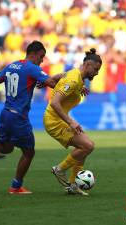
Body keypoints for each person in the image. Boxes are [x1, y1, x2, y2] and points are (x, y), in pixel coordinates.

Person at [0, 41, 62, 194]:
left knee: (7, 148)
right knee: (29, 152)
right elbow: (52, 83)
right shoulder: (32, 68)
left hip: (6, 114)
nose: (42, 60)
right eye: (41, 56)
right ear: (33, 54)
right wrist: (70, 80)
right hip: (19, 117)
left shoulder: (12, 65)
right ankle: (16, 186)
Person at [43, 48, 102, 196]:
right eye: (95, 69)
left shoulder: (75, 77)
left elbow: (59, 77)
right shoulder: (74, 79)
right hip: (54, 121)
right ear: (88, 64)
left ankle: (73, 185)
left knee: (86, 147)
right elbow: (55, 102)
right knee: (88, 146)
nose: (97, 73)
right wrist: (71, 122)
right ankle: (60, 169)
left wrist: (49, 81)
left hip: (56, 119)